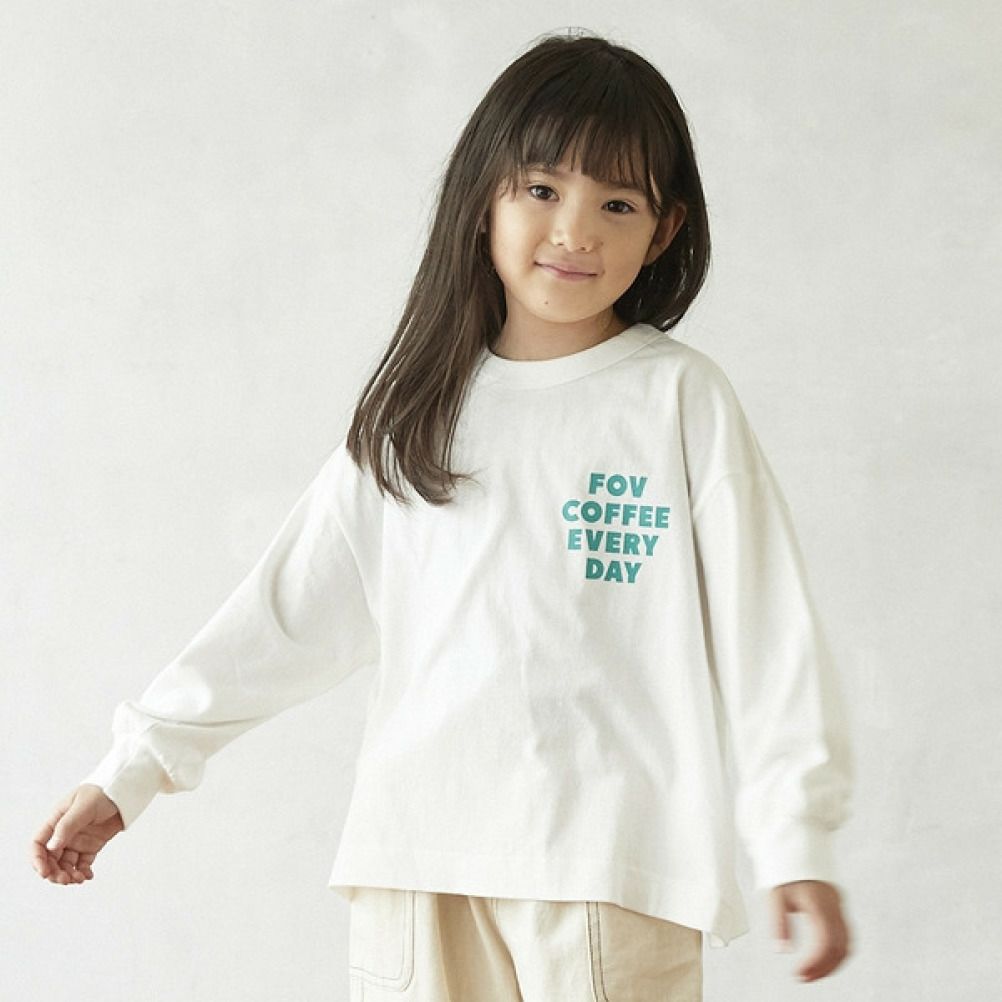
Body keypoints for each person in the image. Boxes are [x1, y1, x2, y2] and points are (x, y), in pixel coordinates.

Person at [31, 28, 854, 1000]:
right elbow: (283, 615)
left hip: (609, 871)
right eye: (541, 188)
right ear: (483, 198)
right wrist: (134, 768)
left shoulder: (676, 401)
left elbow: (768, 633)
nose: (575, 231)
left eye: (617, 203)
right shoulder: (416, 411)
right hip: (415, 864)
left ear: (664, 229)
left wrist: (795, 839)